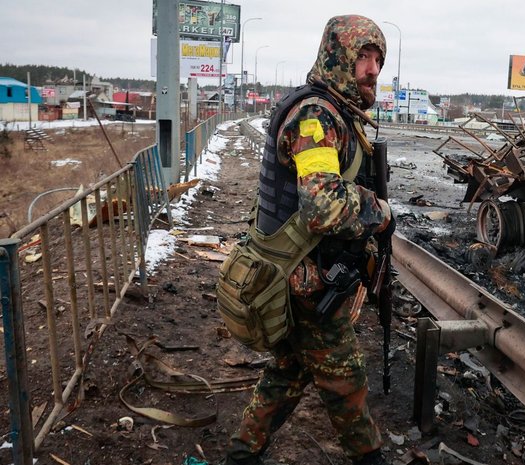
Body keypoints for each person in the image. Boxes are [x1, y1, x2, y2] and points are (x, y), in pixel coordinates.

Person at [223, 15, 393, 465]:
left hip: (299, 272)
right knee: (345, 380)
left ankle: (242, 454)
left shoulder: (335, 112)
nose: (373, 69)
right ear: (338, 57)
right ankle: (370, 457)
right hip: (303, 279)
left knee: (289, 371)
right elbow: (323, 206)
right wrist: (381, 212)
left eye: (378, 59)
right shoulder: (316, 116)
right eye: (363, 57)